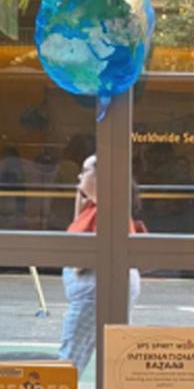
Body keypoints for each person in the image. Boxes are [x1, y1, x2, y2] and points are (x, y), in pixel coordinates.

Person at [57, 155, 146, 373]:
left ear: (101, 177)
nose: (79, 175)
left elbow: (85, 256)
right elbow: (76, 223)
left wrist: (75, 266)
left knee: (70, 359)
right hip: (99, 290)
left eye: (85, 171)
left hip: (95, 292)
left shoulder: (109, 211)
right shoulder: (97, 206)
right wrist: (81, 193)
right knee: (110, 352)